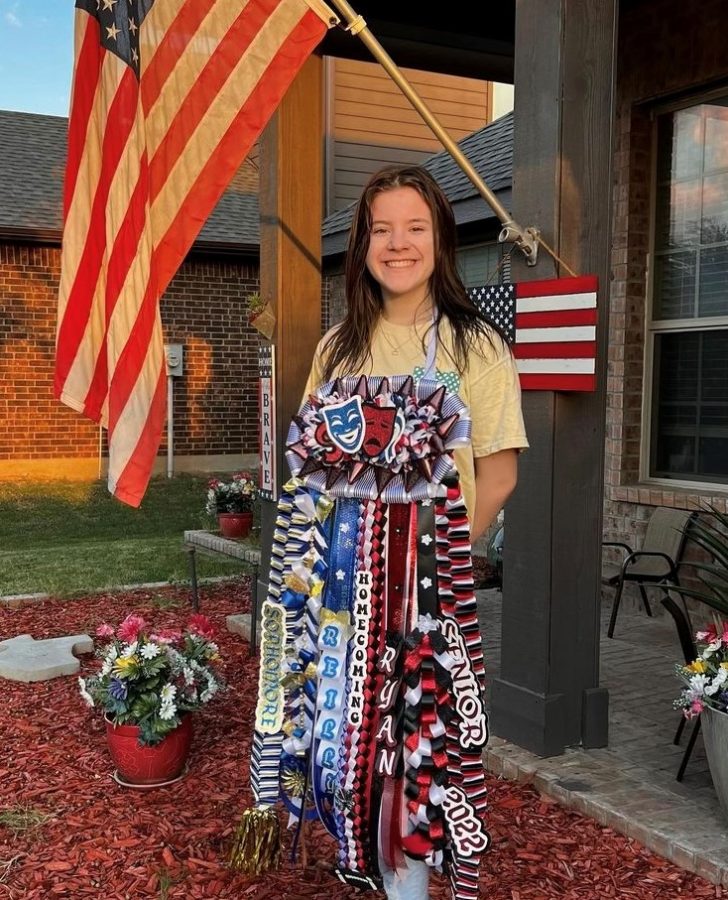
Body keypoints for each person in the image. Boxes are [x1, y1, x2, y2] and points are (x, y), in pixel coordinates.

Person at [243, 164, 528, 900]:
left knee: (418, 759)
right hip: (341, 595)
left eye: (415, 227)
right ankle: (364, 869)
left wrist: (436, 573)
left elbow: (497, 476)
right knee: (346, 748)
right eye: (381, 229)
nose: (397, 244)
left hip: (426, 603)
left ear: (441, 238)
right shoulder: (339, 350)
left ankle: (406, 886)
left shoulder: (478, 349)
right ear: (364, 244)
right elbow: (310, 476)